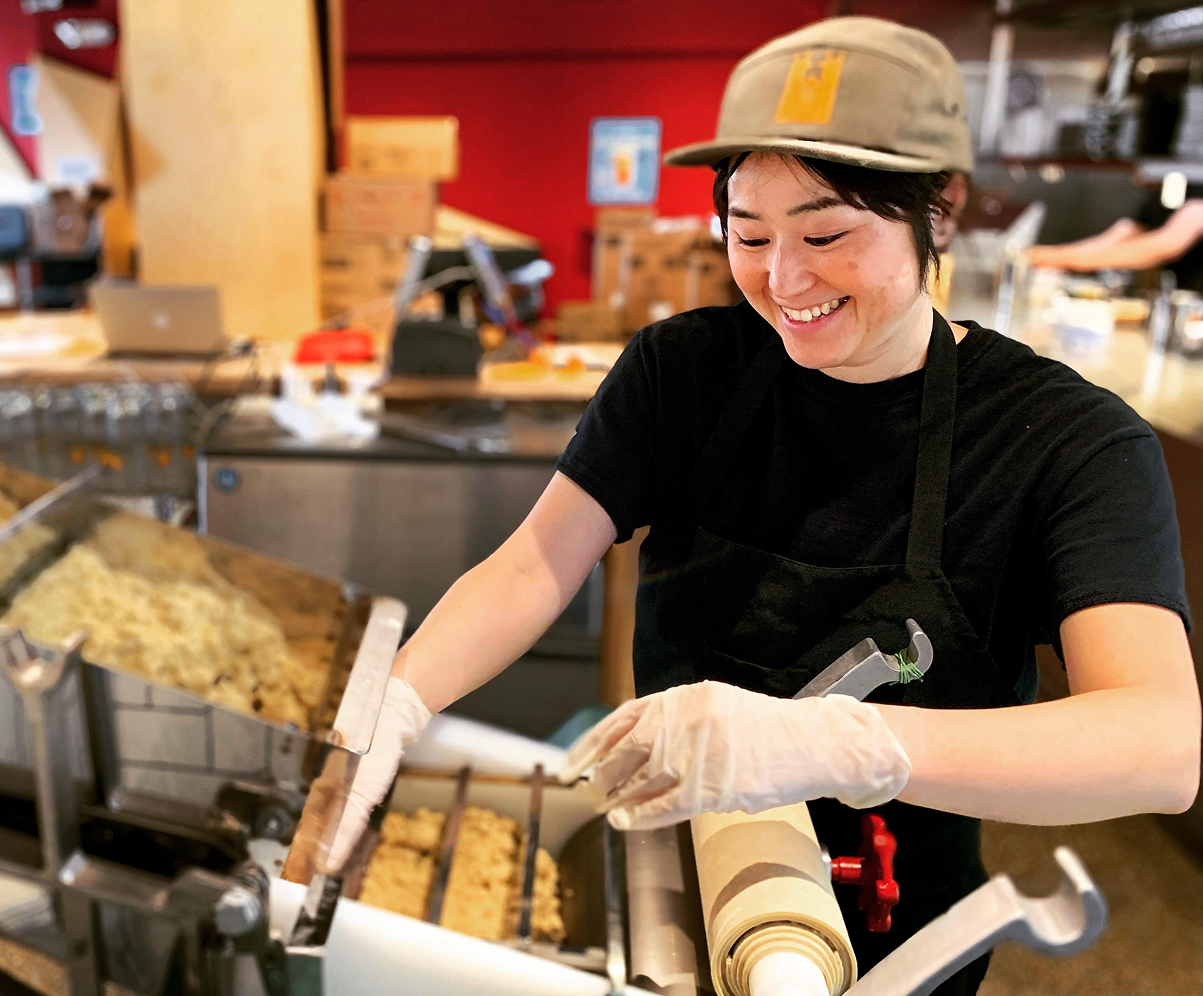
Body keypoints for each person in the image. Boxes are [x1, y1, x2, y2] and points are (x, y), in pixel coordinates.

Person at [325, 18, 1200, 995]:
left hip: (890, 928)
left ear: (940, 210)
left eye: (826, 234)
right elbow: (534, 564)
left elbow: (1159, 745)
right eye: (749, 234)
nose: (784, 281)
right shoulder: (682, 374)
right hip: (659, 882)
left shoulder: (1065, 442)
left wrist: (838, 743)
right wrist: (398, 704)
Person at [1028, 176, 1203, 291]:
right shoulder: (1169, 178)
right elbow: (1117, 237)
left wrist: (1054, 257)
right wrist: (1049, 258)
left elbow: (1168, 244)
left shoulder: (1196, 174)